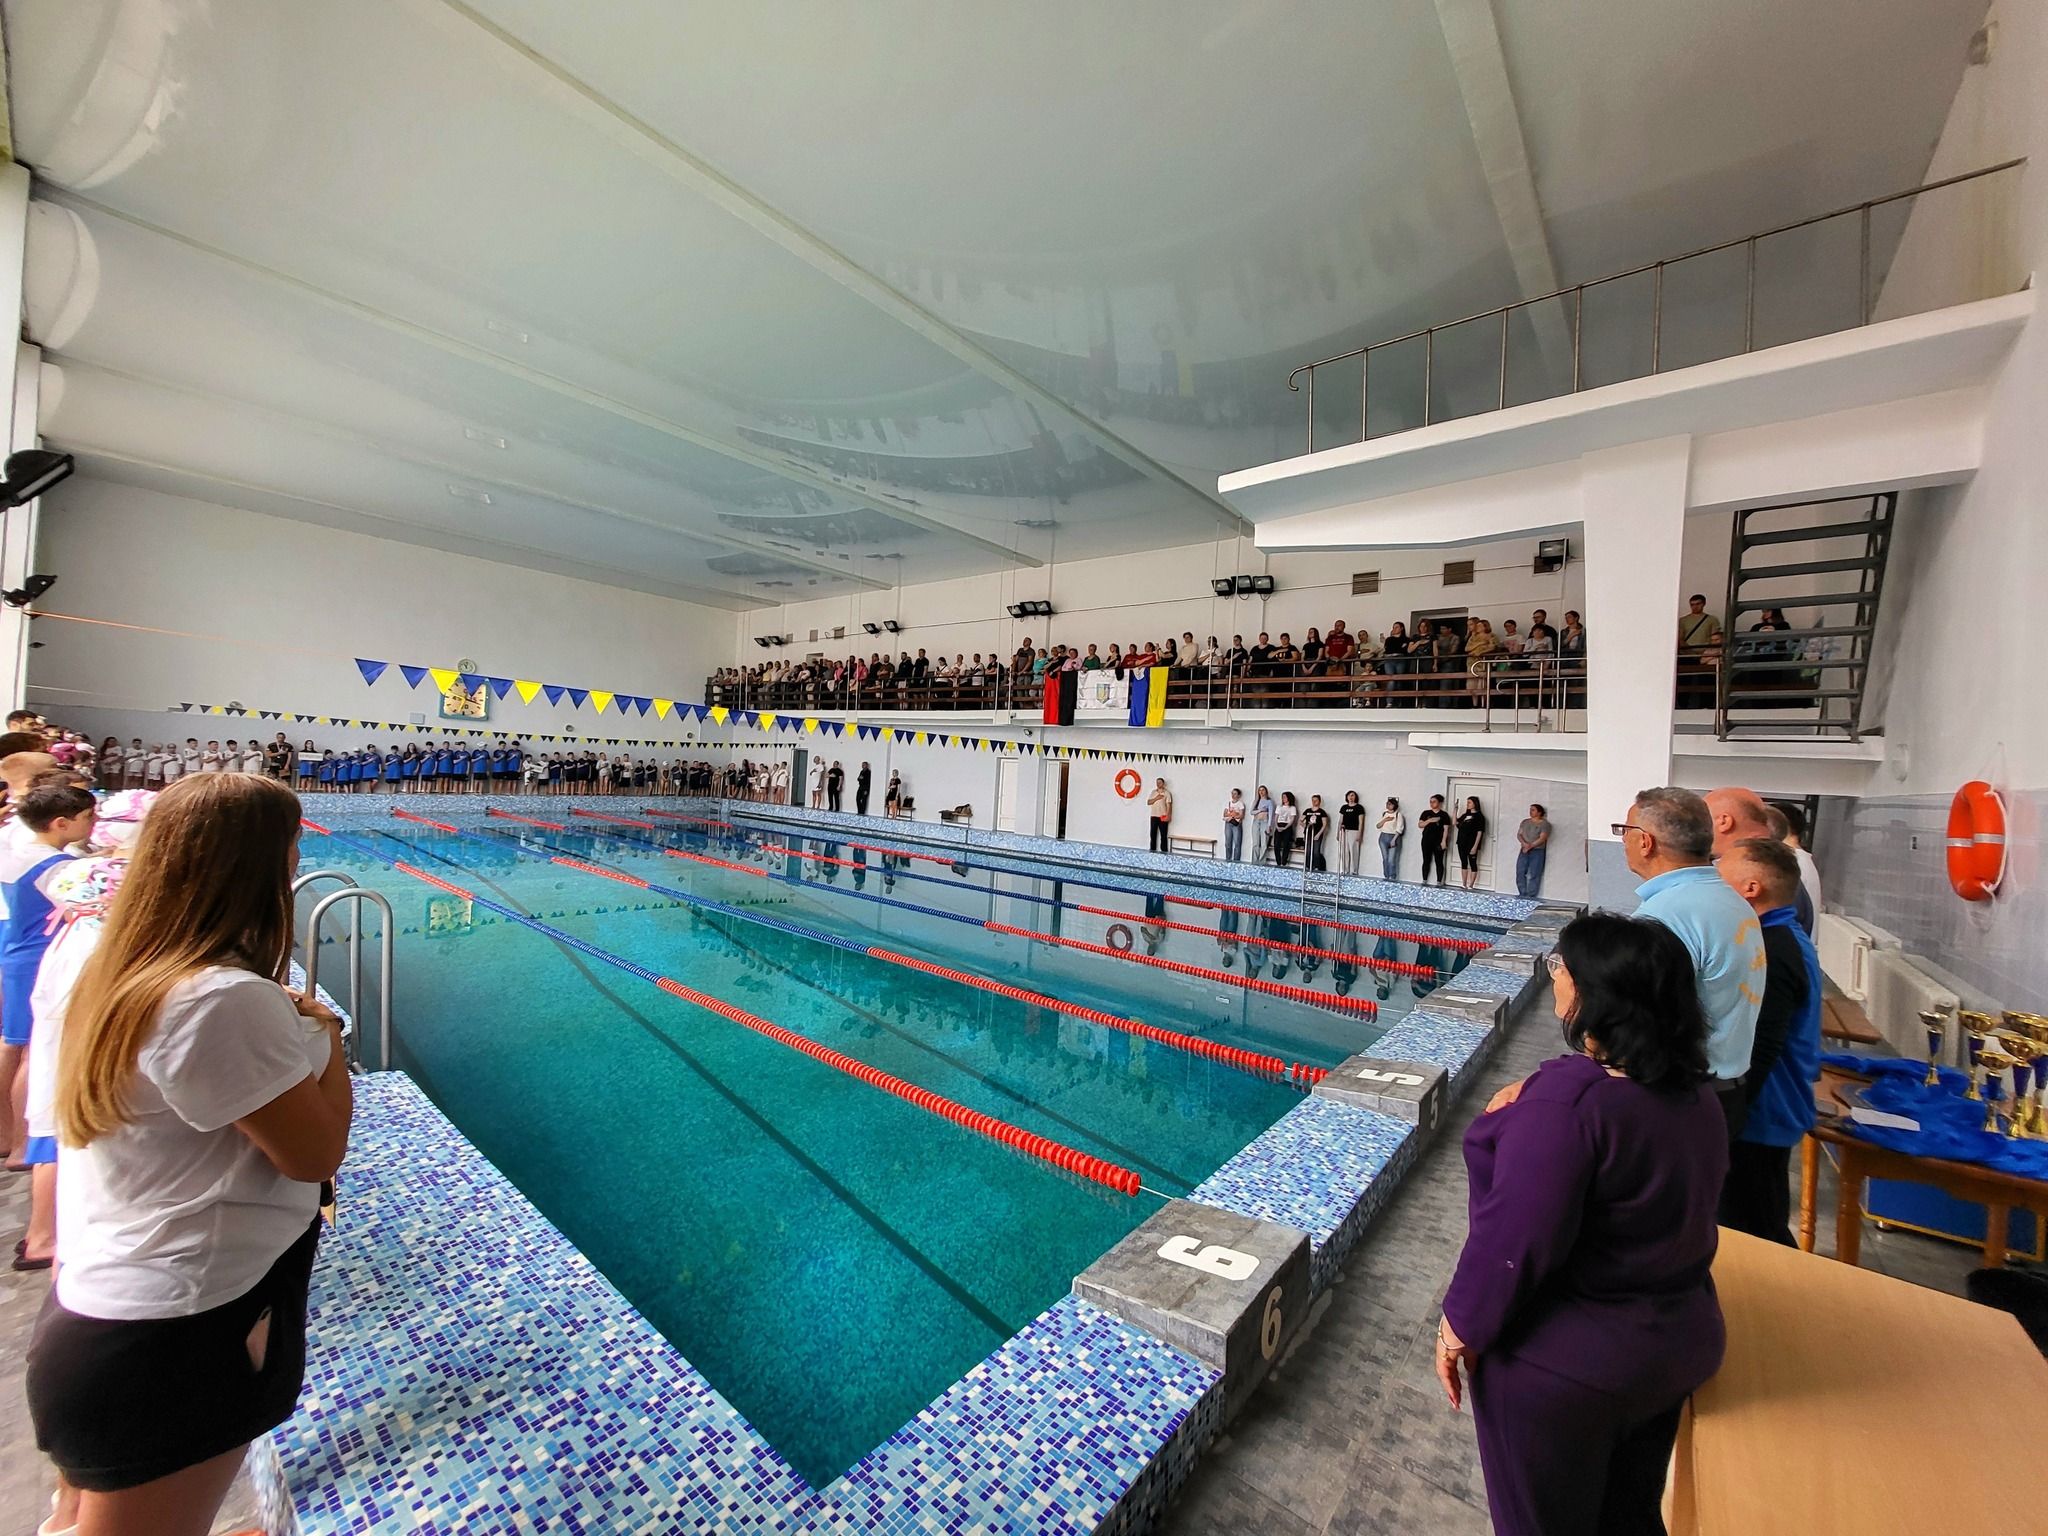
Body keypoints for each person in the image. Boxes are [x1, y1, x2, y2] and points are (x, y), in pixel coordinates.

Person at [28, 774, 352, 1536]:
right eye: (291, 856)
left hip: (104, 1314)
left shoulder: (119, 970)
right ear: (252, 869)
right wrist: (330, 1038)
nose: (295, 874)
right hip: (175, 1338)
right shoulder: (217, 1001)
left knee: (74, 1519)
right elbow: (317, 1154)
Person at [1437, 914, 1727, 1536]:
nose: (1554, 976)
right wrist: (1548, 1082)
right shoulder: (1696, 1095)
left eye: (1562, 966)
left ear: (1597, 995)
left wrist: (1459, 1326)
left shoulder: (1568, 1113)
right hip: (1677, 1345)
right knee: (1629, 1518)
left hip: (1569, 1373)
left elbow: (1513, 1245)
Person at [1621, 786, 1765, 1142]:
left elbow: (1639, 1024)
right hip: (1724, 1090)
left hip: (1680, 1100)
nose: (1622, 840)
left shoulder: (1667, 914)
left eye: (1624, 831)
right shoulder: (1728, 899)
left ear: (1646, 842)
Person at [1716, 838, 1821, 1245]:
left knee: (1753, 1230)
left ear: (1751, 888)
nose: (1714, 880)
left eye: (1721, 873)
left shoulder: (1774, 950)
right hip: (1762, 1110)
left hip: (1760, 1113)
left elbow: (1760, 1046)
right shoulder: (1777, 935)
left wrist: (1726, 1117)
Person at [1704, 786, 1812, 936]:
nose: (1698, 830)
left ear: (1724, 821)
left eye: (1703, 820)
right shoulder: (1772, 865)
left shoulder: (1768, 870)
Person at [1676, 594, 1722, 708]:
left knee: (1707, 680)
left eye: (1698, 604)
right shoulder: (1683, 620)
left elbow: (1715, 637)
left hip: (1706, 655)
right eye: (1692, 605)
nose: (1695, 607)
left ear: (1703, 604)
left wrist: (1706, 653)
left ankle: (1706, 706)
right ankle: (1683, 706)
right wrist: (1690, 652)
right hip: (1686, 655)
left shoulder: (1711, 620)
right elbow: (1680, 638)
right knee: (1684, 681)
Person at [1515, 804, 1552, 898]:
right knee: (1520, 871)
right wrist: (1524, 844)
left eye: (1533, 810)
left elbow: (1542, 838)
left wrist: (1530, 846)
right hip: (1524, 849)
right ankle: (1522, 892)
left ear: (1539, 812)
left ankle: (1531, 894)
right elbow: (1519, 834)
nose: (1530, 812)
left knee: (1535, 872)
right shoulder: (1525, 822)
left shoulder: (1544, 824)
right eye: (1530, 810)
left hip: (1537, 850)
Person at [1455, 796, 1488, 888]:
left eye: (1469, 802)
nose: (1467, 804)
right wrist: (1455, 810)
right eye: (1467, 802)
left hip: (1471, 843)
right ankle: (1464, 883)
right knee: (1463, 862)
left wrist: (1475, 846)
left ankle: (1471, 884)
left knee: (1472, 863)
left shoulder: (1480, 817)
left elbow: (1480, 832)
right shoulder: (1465, 815)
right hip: (1461, 842)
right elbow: (1455, 822)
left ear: (1475, 804)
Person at [1418, 795, 1452, 884]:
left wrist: (1443, 841)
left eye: (1434, 802)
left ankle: (1439, 881)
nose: (1432, 804)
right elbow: (1420, 825)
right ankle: (1424, 880)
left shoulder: (1444, 815)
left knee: (1439, 861)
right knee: (1426, 860)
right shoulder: (1426, 813)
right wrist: (1429, 820)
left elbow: (1446, 829)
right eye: (1430, 802)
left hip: (1438, 841)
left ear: (1439, 803)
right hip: (1426, 840)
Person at [1337, 791, 1367, 875]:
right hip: (1344, 831)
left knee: (1353, 851)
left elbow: (1361, 822)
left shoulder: (1359, 807)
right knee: (1344, 852)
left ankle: (1354, 871)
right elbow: (1340, 821)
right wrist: (1338, 833)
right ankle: (1345, 870)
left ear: (1355, 797)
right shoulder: (1344, 807)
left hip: (1354, 831)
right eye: (1349, 795)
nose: (1350, 797)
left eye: (1352, 795)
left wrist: (1359, 834)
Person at [1377, 797, 1405, 880]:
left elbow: (1399, 828)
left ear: (1394, 805)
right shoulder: (1385, 814)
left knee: (1391, 859)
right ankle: (1386, 875)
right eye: (1387, 804)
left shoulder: (1398, 815)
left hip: (1393, 836)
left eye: (1390, 804)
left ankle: (1392, 876)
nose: (1388, 805)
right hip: (1383, 836)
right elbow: (1378, 826)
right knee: (1385, 858)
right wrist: (1386, 819)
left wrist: (1394, 840)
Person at [1301, 794, 1331, 871]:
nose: (1314, 802)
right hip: (1308, 833)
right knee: (1308, 851)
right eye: (1313, 800)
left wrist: (1319, 834)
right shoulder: (1307, 811)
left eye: (1316, 800)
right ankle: (1307, 866)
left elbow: (1324, 824)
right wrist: (1304, 825)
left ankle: (1316, 866)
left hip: (1317, 833)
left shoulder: (1322, 812)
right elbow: (1300, 820)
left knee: (1316, 851)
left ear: (1319, 801)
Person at [1271, 792, 1300, 867]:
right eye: (1283, 797)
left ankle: (1284, 862)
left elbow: (1292, 819)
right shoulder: (1279, 807)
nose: (1283, 799)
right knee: (1276, 844)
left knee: (1286, 845)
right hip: (1279, 824)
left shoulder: (1292, 808)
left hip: (1287, 826)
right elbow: (1276, 817)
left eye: (1285, 797)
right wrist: (1277, 826)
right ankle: (1278, 862)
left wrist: (1286, 827)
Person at [1147, 779, 1173, 853]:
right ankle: (1152, 850)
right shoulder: (1153, 792)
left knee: (1163, 835)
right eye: (1157, 783)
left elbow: (1168, 805)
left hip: (1162, 816)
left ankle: (1164, 851)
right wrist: (1156, 798)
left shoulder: (1167, 793)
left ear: (1163, 783)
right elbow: (1149, 802)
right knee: (1153, 834)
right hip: (1154, 815)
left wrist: (1168, 815)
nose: (1158, 784)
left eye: (1160, 782)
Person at [1250, 785, 1274, 864]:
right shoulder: (1256, 801)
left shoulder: (1269, 801)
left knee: (1264, 843)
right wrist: (1260, 810)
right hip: (1256, 821)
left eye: (1263, 790)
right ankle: (1255, 860)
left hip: (1264, 821)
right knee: (1256, 842)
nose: (1261, 792)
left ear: (1266, 791)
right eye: (1260, 790)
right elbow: (1251, 812)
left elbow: (1270, 814)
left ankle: (1261, 861)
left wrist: (1269, 826)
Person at [1222, 789, 1246, 862]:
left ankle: (1236, 860)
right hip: (1228, 823)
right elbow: (1225, 814)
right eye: (1232, 793)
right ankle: (1228, 859)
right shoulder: (1228, 803)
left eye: (1235, 794)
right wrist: (1234, 814)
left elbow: (1241, 815)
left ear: (1238, 795)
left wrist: (1231, 816)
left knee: (1237, 843)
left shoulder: (1240, 804)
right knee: (1228, 843)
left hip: (1236, 823)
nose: (1233, 795)